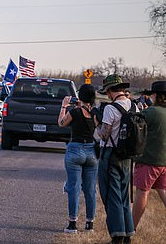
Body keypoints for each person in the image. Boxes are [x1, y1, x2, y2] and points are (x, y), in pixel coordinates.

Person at [96, 74, 137, 243]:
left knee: (111, 196)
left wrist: (97, 124)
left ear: (111, 91)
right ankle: (128, 233)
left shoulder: (110, 109)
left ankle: (117, 235)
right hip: (127, 156)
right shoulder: (134, 107)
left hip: (110, 155)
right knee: (124, 196)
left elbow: (104, 135)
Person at [58, 84, 98, 233]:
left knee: (73, 187)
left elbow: (61, 123)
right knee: (90, 190)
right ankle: (89, 224)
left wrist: (64, 107)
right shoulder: (95, 113)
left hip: (75, 150)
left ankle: (72, 224)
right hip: (91, 152)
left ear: (80, 96)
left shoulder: (74, 112)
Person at [132, 80, 166, 228]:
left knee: (142, 192)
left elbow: (133, 122)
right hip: (164, 161)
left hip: (149, 159)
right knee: (163, 190)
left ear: (155, 95)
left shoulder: (152, 111)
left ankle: (131, 228)